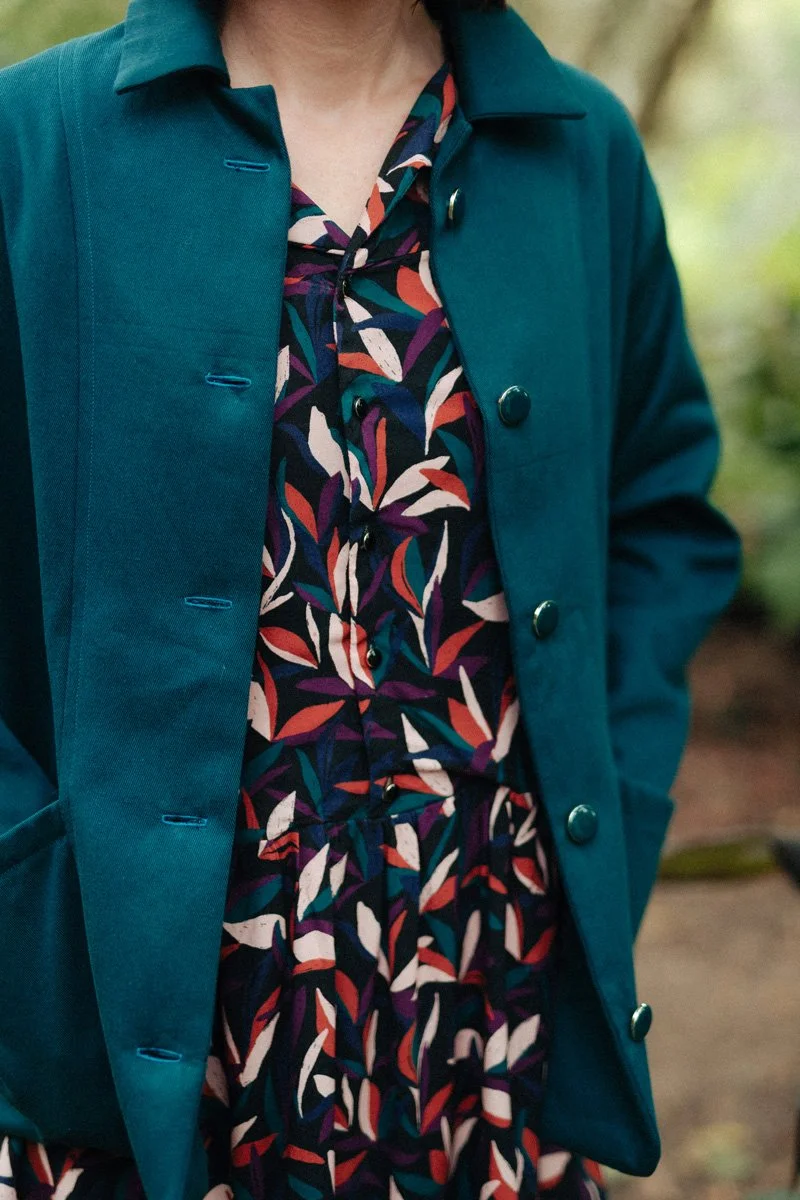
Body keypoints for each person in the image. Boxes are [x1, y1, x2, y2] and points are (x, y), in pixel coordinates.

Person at [0, 0, 743, 1196]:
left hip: (484, 991)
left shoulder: (576, 150)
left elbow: (657, 516)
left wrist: (614, 806)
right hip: (132, 1013)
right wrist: (26, 907)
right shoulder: (32, 145)